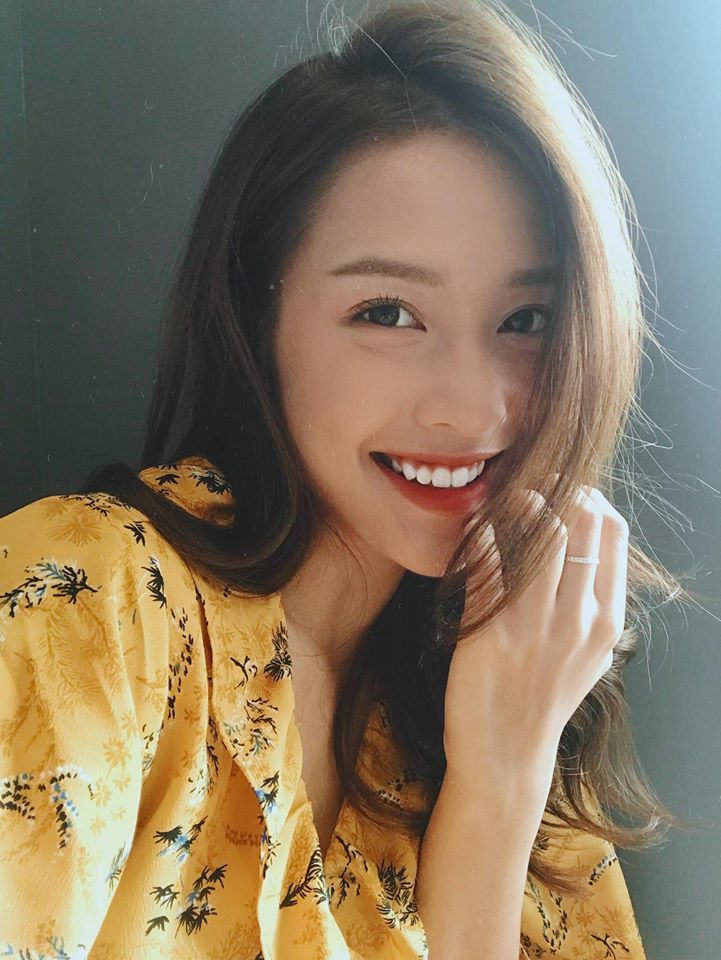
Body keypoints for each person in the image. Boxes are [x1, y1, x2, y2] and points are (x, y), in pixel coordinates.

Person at [0, 0, 702, 957]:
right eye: (387, 312)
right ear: (256, 319)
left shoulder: (517, 680)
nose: (473, 410)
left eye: (525, 321)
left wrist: (498, 786)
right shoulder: (84, 606)